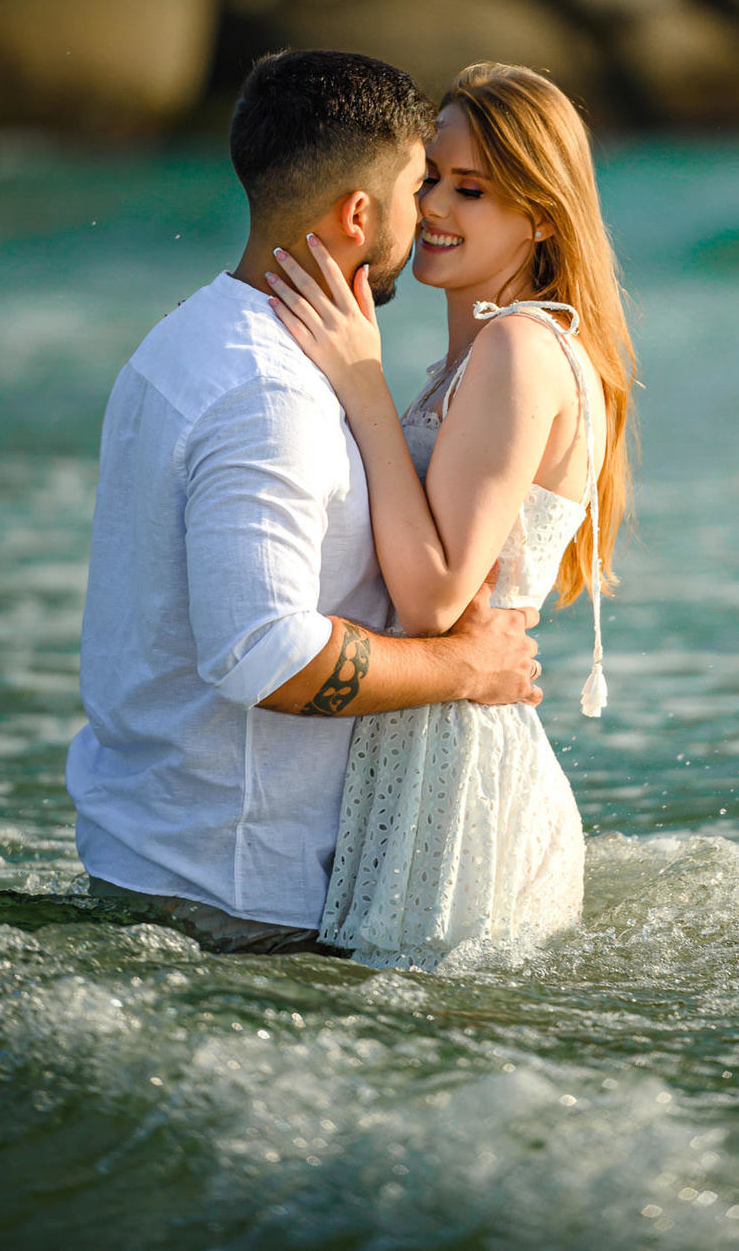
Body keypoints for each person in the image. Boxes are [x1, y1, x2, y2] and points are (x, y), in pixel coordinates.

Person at [66, 50, 544, 956]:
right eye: (419, 184)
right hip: (237, 893)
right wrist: (465, 670)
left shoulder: (185, 339)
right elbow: (265, 653)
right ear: (359, 215)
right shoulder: (270, 395)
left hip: (155, 857)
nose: (430, 211)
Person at [265, 62, 636, 968]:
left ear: (540, 214)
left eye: (471, 190)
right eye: (429, 176)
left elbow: (433, 600)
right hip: (429, 747)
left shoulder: (518, 346)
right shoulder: (468, 366)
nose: (433, 206)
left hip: (459, 766)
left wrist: (360, 383)